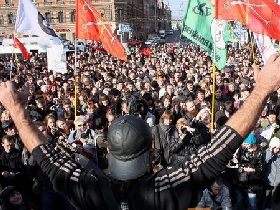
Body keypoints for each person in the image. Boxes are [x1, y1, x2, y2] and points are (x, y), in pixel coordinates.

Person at [0, 54, 279, 210]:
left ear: (108, 150)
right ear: (152, 149)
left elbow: (47, 158)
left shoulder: (87, 189)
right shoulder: (164, 189)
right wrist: (263, 88)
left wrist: (17, 110)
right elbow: (219, 149)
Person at [259, 137, 280, 210]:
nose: (277, 150)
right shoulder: (267, 153)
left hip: (277, 180)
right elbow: (264, 162)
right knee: (265, 195)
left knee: (271, 195)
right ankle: (260, 206)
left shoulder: (279, 155)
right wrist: (270, 152)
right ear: (272, 147)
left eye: (279, 148)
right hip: (268, 180)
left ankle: (268, 207)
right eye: (276, 148)